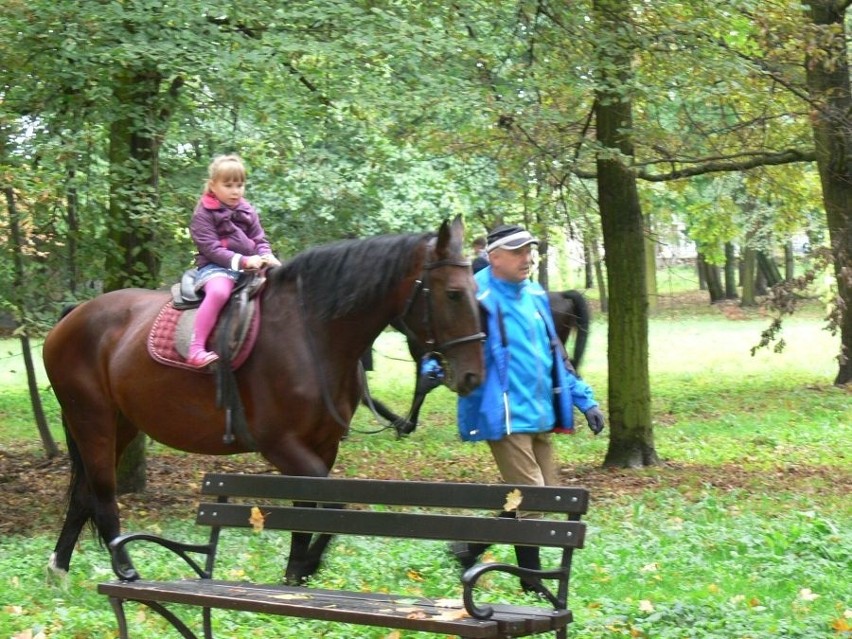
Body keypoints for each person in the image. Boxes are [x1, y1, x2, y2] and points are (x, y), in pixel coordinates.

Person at [451, 223, 606, 593]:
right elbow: (445, 350)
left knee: (546, 492)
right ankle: (531, 580)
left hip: (540, 413)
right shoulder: (476, 297)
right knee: (532, 495)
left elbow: (555, 356)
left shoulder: (535, 295)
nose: (528, 258)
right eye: (519, 251)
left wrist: (585, 400)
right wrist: (440, 370)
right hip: (503, 414)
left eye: (530, 250)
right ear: (495, 257)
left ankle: (471, 545)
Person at [187, 154, 281, 368]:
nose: (235, 190)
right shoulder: (203, 214)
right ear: (213, 186)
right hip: (216, 267)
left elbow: (259, 238)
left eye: (240, 185)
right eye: (228, 185)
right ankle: (196, 348)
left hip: (250, 267)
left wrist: (267, 255)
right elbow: (211, 248)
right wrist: (243, 261)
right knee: (219, 292)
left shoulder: (247, 209)